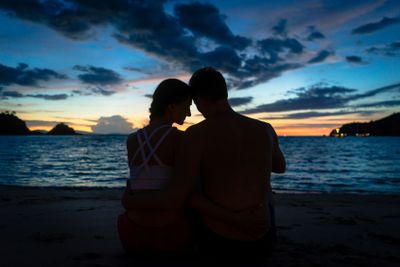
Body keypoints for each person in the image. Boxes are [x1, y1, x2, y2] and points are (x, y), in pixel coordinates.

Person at [122, 67, 285, 261]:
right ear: (224, 93)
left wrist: (130, 200)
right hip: (263, 236)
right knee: (265, 189)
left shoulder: (196, 134)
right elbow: (279, 167)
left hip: (218, 238)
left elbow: (183, 196)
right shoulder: (265, 129)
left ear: (199, 100)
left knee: (194, 188)